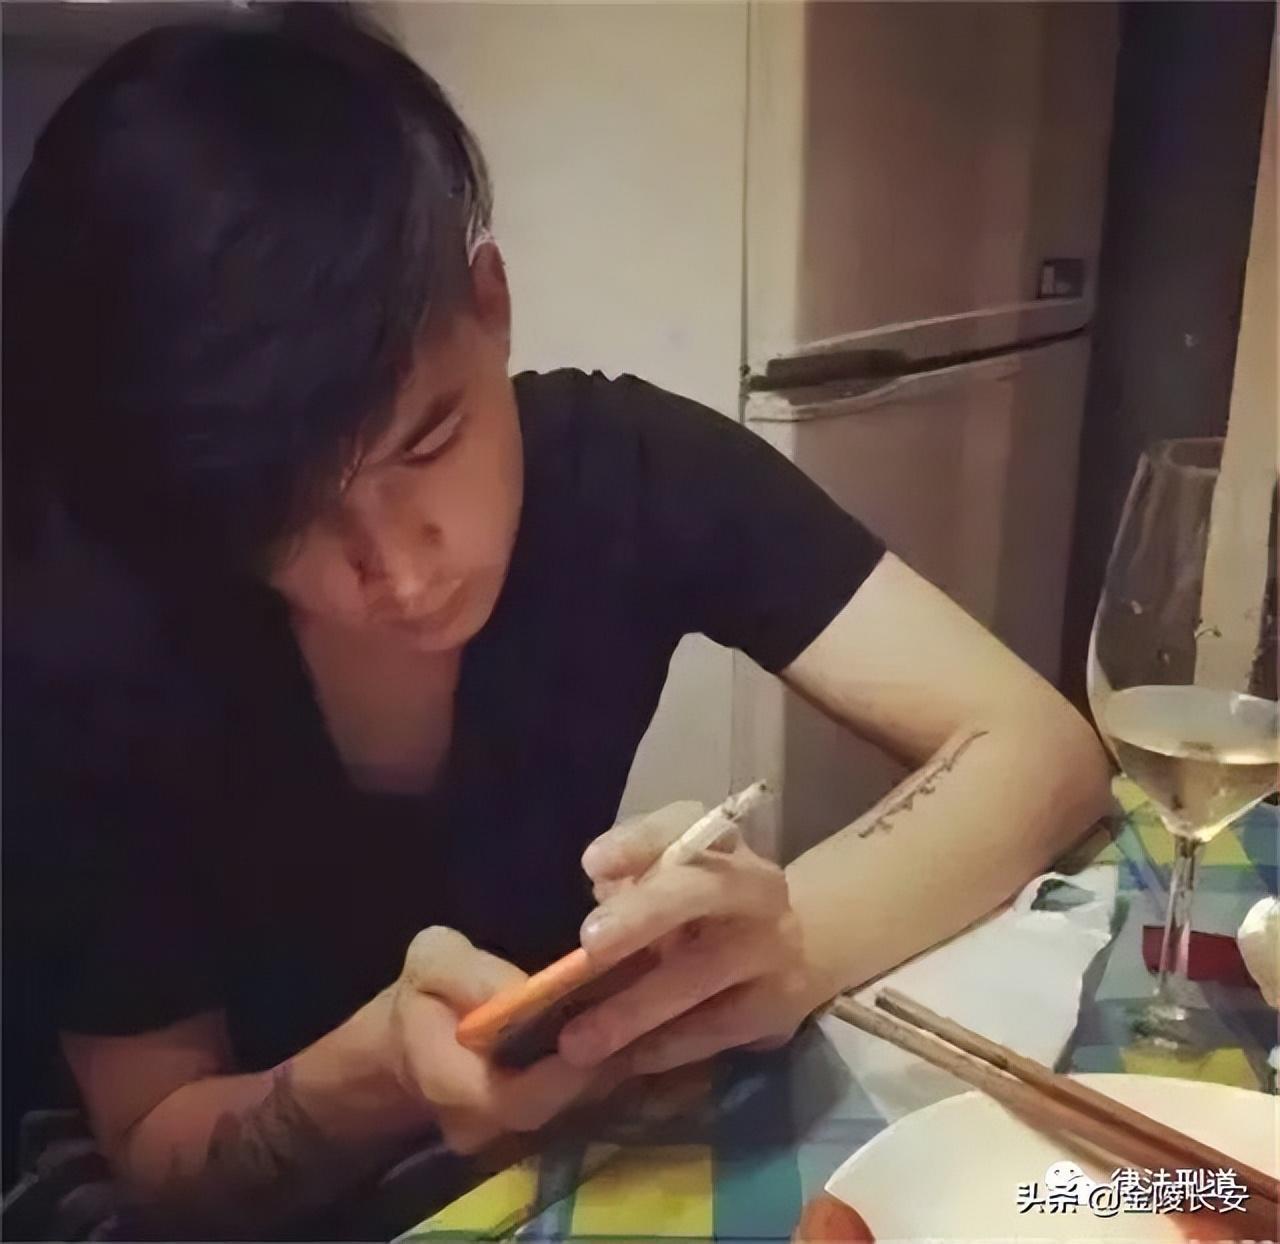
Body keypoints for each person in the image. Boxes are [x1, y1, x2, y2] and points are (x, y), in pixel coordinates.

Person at [1, 6, 1111, 1238]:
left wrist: (785, 946)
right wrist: (373, 1075)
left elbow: (1039, 744)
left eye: (429, 441)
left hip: (534, 1153)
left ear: (491, 305)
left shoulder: (623, 467)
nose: (397, 569)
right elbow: (157, 1153)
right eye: (284, 519)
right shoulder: (100, 628)